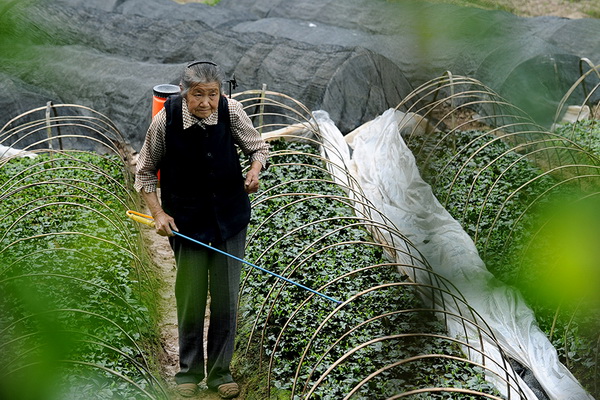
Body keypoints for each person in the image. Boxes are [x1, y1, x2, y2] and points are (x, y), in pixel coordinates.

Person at [134, 61, 269, 399]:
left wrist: (254, 170)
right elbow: (146, 172)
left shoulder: (232, 110)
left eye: (212, 94)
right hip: (188, 223)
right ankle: (188, 373)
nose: (206, 103)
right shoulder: (165, 120)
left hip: (229, 219)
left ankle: (221, 372)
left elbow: (258, 147)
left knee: (225, 297)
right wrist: (159, 214)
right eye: (198, 95)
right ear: (185, 93)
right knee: (191, 296)